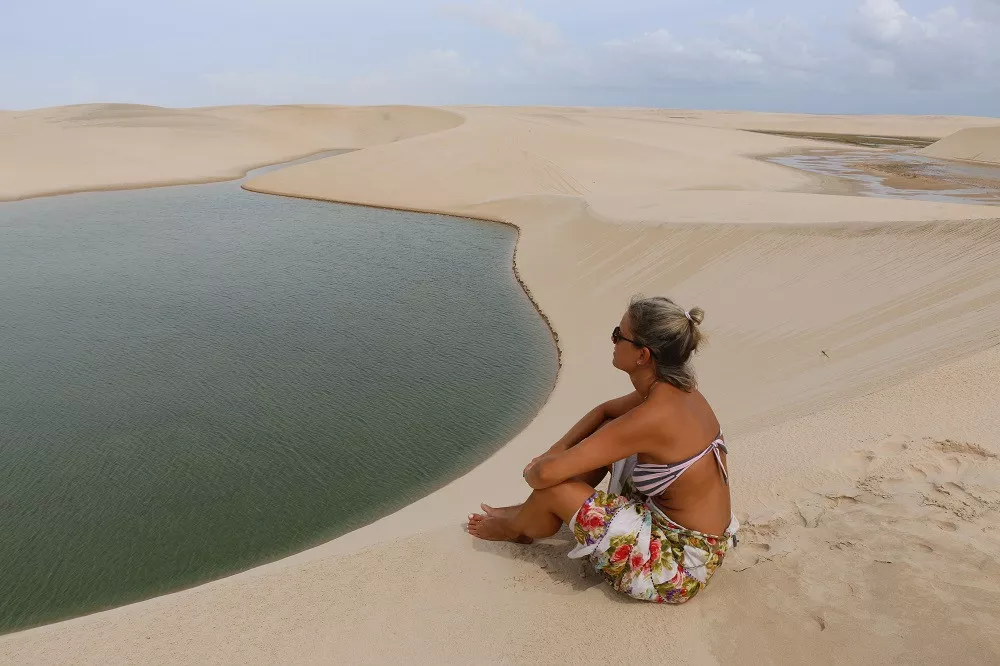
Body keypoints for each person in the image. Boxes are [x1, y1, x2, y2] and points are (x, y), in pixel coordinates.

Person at [467, 295, 737, 603]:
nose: (612, 341)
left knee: (552, 489)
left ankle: (516, 527)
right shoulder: (675, 391)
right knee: (591, 449)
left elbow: (543, 477)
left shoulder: (654, 416)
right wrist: (555, 451)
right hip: (696, 541)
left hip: (676, 568)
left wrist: (542, 467)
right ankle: (527, 514)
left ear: (642, 356)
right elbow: (605, 412)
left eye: (618, 335)